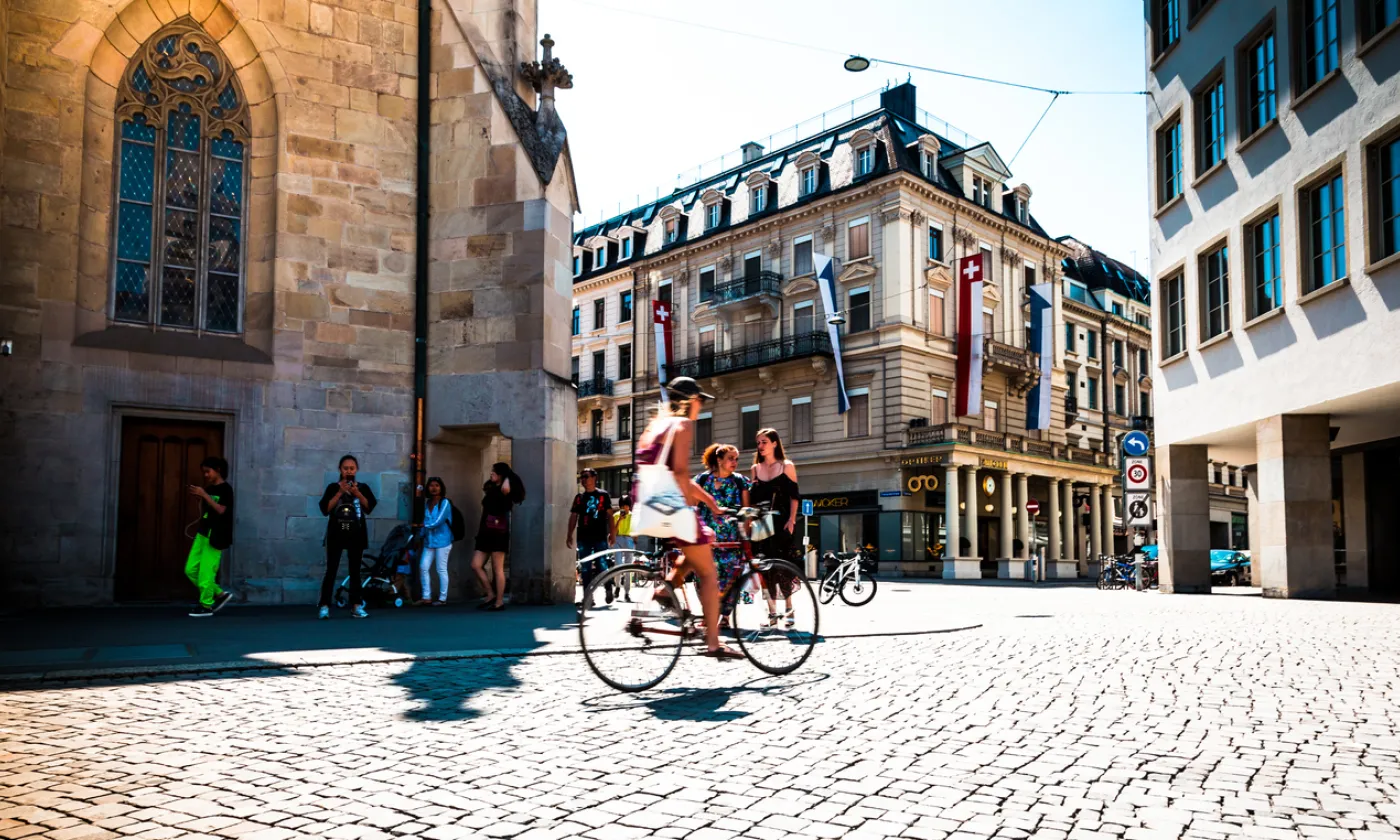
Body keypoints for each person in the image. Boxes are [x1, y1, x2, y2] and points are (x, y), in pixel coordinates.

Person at [633, 377, 742, 659]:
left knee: (704, 541)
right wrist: (690, 506)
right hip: (669, 503)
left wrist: (711, 504)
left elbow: (667, 470)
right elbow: (681, 472)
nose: (700, 406)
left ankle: (666, 587)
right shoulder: (681, 425)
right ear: (690, 401)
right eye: (700, 400)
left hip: (647, 501)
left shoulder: (656, 424)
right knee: (709, 572)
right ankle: (714, 643)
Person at [751, 428, 801, 629]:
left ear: (774, 443)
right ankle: (772, 613)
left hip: (781, 523)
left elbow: (794, 496)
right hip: (761, 524)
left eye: (764, 442)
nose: (760, 446)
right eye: (758, 443)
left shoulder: (787, 466)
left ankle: (789, 609)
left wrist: (792, 519)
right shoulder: (755, 468)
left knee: (783, 567)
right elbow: (753, 500)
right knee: (765, 569)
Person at [696, 444, 750, 627]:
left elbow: (746, 510)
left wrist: (747, 534)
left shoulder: (740, 481)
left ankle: (725, 616)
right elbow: (693, 504)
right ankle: (708, 614)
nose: (734, 462)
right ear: (719, 460)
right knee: (704, 577)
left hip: (731, 540)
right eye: (730, 458)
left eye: (736, 459)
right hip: (707, 538)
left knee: (731, 577)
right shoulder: (703, 480)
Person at [318, 454, 378, 619]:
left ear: (356, 469)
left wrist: (357, 492)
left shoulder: (363, 487)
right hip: (336, 534)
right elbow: (325, 509)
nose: (348, 471)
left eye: (351, 468)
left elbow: (369, 507)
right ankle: (324, 606)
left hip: (356, 534)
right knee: (331, 570)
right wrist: (340, 492)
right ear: (340, 469)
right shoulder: (332, 487)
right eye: (345, 468)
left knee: (355, 571)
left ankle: (356, 605)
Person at [185, 456, 234, 617]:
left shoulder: (226, 489)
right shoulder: (210, 490)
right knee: (190, 569)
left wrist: (204, 495)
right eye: (204, 472)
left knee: (206, 572)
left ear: (218, 470)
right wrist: (201, 498)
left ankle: (206, 605)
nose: (206, 475)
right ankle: (219, 594)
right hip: (203, 532)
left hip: (216, 534)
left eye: (208, 471)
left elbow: (221, 510)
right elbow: (205, 512)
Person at [471, 462, 523, 611]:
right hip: (485, 532)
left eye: (494, 472)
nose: (491, 474)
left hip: (498, 532)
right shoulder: (491, 488)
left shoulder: (506, 489)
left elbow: (506, 487)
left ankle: (499, 602)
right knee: (475, 565)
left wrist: (506, 478)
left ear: (501, 474)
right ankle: (490, 594)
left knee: (497, 568)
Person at [569, 468, 615, 604]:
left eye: (586, 476)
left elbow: (610, 515)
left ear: (594, 478)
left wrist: (612, 534)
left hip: (600, 536)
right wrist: (569, 534)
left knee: (602, 564)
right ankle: (588, 597)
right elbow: (573, 516)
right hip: (583, 537)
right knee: (585, 567)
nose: (583, 479)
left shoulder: (603, 495)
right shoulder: (579, 498)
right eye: (581, 477)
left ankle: (608, 588)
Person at [416, 477, 454, 606]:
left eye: (437, 485)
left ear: (441, 487)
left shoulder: (445, 503)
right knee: (423, 567)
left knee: (441, 569)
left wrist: (424, 527)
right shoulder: (427, 503)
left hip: (443, 540)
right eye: (431, 485)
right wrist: (421, 535)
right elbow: (425, 520)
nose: (434, 488)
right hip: (429, 540)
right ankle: (426, 596)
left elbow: (439, 520)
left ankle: (442, 598)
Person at [611, 497, 635, 602]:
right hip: (618, 539)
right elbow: (614, 531)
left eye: (626, 505)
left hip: (629, 539)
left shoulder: (634, 516)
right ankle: (617, 586)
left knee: (628, 567)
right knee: (618, 565)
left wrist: (634, 541)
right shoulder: (616, 516)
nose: (624, 508)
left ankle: (627, 592)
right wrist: (620, 520)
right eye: (622, 506)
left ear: (629, 506)